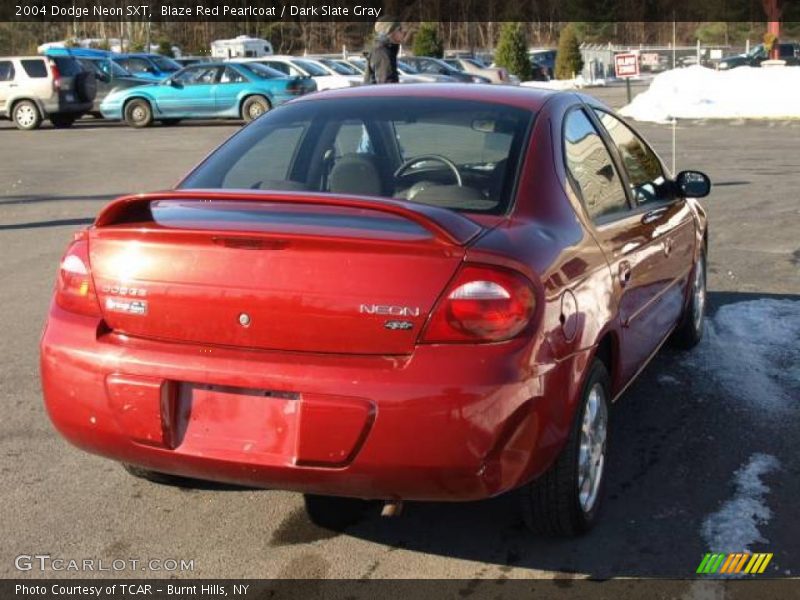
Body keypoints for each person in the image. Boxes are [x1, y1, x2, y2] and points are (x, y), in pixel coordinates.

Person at [363, 19, 405, 85]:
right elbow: (387, 85)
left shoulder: (387, 50)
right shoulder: (382, 53)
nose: (403, 32)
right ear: (390, 32)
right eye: (399, 29)